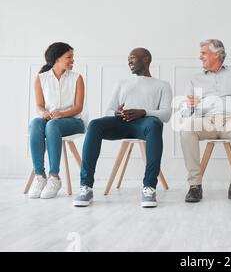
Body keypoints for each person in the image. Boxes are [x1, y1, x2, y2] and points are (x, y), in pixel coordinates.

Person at [73, 48, 172, 208]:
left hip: (144, 124)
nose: (129, 61)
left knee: (155, 124)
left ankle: (149, 187)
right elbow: (108, 110)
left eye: (132, 58)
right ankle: (86, 187)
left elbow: (166, 115)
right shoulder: (122, 83)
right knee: (94, 125)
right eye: (128, 59)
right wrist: (116, 113)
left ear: (146, 59)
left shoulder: (162, 85)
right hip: (121, 123)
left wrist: (143, 112)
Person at [179, 39, 231, 203]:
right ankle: (195, 186)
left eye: (203, 53)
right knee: (187, 127)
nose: (200, 57)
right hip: (205, 121)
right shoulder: (194, 79)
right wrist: (189, 106)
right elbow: (184, 112)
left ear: (216, 54)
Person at [28, 42, 85, 199]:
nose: (72, 60)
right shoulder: (41, 79)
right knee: (35, 123)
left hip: (73, 122)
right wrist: (44, 112)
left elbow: (78, 107)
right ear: (56, 59)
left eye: (72, 57)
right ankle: (40, 176)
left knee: (52, 125)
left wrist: (63, 114)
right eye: (69, 57)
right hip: (51, 121)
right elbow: (39, 105)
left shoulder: (77, 78)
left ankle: (54, 177)